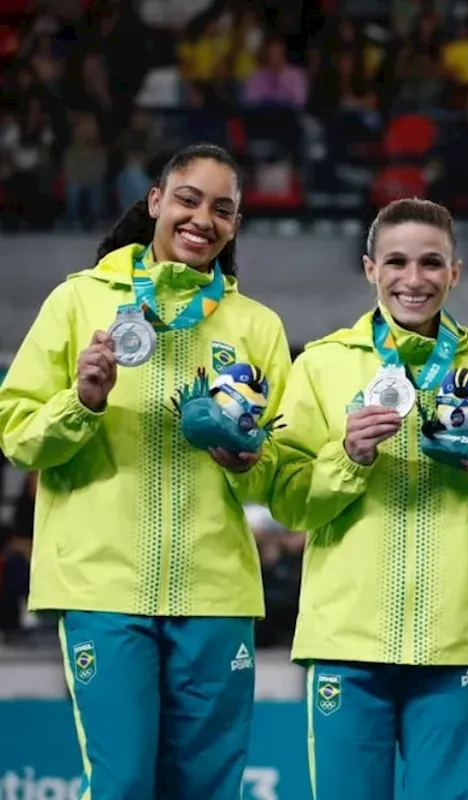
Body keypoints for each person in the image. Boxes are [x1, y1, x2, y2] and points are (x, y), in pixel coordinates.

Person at [0, 143, 291, 800]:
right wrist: (84, 400)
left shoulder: (256, 327)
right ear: (156, 201)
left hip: (215, 592)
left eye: (222, 208)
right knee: (125, 784)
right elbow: (17, 436)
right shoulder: (78, 302)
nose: (202, 219)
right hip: (103, 588)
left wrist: (252, 462)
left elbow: (283, 471)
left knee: (207, 788)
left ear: (235, 224)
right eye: (188, 198)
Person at [267, 198, 468, 800]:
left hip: (454, 639)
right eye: (396, 262)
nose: (413, 280)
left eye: (430, 263)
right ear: (370, 269)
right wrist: (348, 456)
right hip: (346, 638)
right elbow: (288, 503)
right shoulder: (319, 366)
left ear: (455, 272)